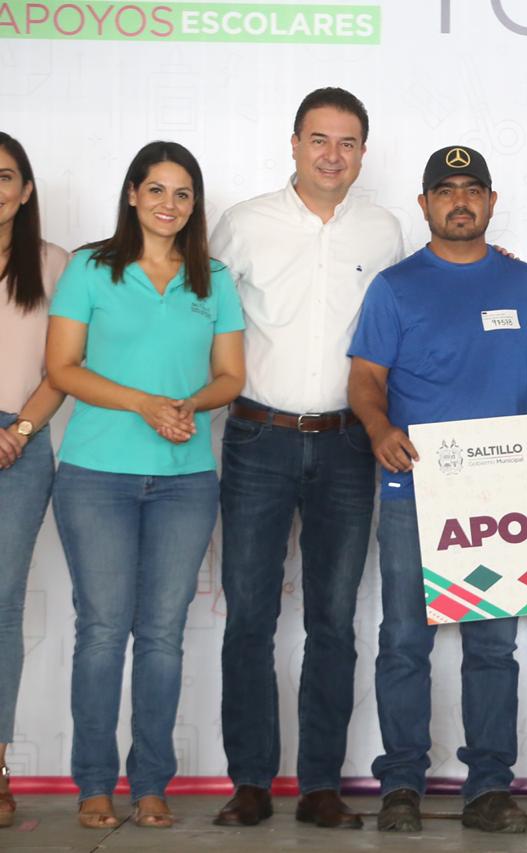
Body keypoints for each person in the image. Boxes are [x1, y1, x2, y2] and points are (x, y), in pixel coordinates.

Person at [209, 87, 403, 830]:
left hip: (349, 444)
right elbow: (200, 312)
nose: (332, 155)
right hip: (257, 437)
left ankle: (321, 783)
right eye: (319, 139)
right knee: (249, 616)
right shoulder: (243, 224)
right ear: (293, 144)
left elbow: (410, 314)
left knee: (333, 620)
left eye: (347, 142)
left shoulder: (384, 231)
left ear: (363, 153)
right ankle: (250, 781)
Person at [44, 140, 245, 829]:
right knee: (103, 632)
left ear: (195, 204)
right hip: (96, 476)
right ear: (132, 195)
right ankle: (95, 785)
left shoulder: (213, 278)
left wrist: (190, 404)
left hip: (185, 482)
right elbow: (62, 367)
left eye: (183, 193)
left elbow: (231, 376)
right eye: (156, 189)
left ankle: (152, 783)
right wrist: (144, 404)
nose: (169, 204)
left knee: (162, 634)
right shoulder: (90, 267)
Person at [347, 145, 527, 834]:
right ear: (424, 204)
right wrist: (378, 428)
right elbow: (365, 378)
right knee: (406, 640)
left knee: (492, 647)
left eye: (472, 189)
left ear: (491, 201)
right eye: (445, 190)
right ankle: (401, 784)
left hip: (501, 497)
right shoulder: (394, 286)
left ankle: (488, 787)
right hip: (416, 490)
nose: (460, 201)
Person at [0, 132, 69, 830]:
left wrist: (18, 430)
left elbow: (64, 366)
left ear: (24, 191)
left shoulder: (53, 264)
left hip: (18, 445)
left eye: (4, 176)